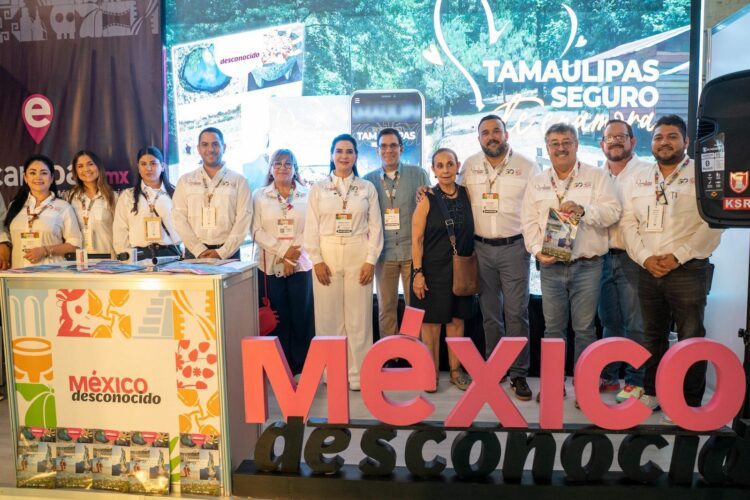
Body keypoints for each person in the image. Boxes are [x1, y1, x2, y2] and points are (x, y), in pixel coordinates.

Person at [620, 114, 723, 415]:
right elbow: (628, 223)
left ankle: (688, 402)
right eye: (658, 137)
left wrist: (678, 256)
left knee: (691, 336)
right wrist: (645, 258)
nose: (664, 142)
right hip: (648, 269)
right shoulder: (639, 176)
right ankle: (651, 391)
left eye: (672, 136)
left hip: (688, 269)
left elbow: (713, 222)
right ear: (651, 143)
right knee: (652, 335)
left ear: (686, 141)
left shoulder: (702, 175)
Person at [521, 123, 620, 404]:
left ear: (576, 145)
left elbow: (613, 212)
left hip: (588, 265)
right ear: (547, 147)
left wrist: (583, 210)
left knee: (585, 328)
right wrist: (538, 251)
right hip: (550, 266)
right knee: (553, 329)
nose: (561, 148)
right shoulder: (537, 182)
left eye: (566, 142)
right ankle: (553, 386)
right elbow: (528, 223)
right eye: (554, 143)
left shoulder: (597, 176)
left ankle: (585, 389)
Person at [458, 114, 539, 400]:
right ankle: (496, 368)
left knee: (516, 313)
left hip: (515, 247)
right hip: (480, 248)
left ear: (506, 134)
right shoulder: (469, 165)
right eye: (485, 133)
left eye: (496, 131)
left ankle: (518, 373)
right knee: (490, 314)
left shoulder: (527, 166)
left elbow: (538, 208)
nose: (491, 136)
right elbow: (453, 195)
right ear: (478, 138)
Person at [304, 134, 383, 391]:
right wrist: (316, 260)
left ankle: (359, 374)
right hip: (327, 252)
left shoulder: (366, 188)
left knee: (359, 318)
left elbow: (376, 226)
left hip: (358, 252)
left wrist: (371, 260)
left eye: (349, 151)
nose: (344, 156)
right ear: (331, 155)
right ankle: (333, 373)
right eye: (339, 151)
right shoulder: (318, 189)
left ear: (356, 156)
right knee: (328, 318)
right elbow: (311, 227)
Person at [411, 148, 475, 391]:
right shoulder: (427, 198)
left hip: (461, 270)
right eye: (440, 165)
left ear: (458, 165)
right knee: (430, 325)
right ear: (433, 170)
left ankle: (456, 372)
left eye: (450, 164)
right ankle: (431, 373)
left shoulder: (467, 194)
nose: (446, 170)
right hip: (432, 271)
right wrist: (418, 273)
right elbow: (416, 239)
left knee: (457, 321)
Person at [596, 120, 650, 402]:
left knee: (636, 323)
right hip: (600, 257)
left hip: (633, 258)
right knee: (609, 321)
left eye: (621, 136)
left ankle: (635, 382)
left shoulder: (647, 173)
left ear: (633, 141)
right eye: (610, 137)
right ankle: (609, 376)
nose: (615, 141)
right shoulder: (595, 175)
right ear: (602, 144)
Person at [363, 128, 429, 346]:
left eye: (393, 145)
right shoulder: (368, 181)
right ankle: (390, 355)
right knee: (386, 309)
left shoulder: (418, 174)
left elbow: (429, 210)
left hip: (413, 253)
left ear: (401, 148)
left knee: (414, 309)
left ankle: (413, 354)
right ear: (377, 150)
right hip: (384, 254)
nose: (388, 150)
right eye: (383, 146)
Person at [252, 149, 314, 375]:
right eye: (277, 163)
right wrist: (284, 252)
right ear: (271, 169)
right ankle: (278, 367)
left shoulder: (308, 194)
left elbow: (312, 228)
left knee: (301, 317)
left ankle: (302, 367)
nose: (282, 168)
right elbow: (256, 231)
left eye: (288, 164)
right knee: (277, 317)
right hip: (269, 266)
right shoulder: (259, 195)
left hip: (301, 264)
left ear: (295, 169)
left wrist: (292, 256)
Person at [173, 127, 252, 260]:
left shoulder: (239, 181)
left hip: (229, 254)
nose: (210, 149)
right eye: (205, 144)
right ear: (198, 149)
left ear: (224, 147)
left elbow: (243, 220)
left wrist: (223, 252)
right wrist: (198, 249)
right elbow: (178, 218)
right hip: (194, 253)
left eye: (215, 144)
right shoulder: (185, 181)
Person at [5, 155, 82, 268]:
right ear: (25, 178)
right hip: (18, 273)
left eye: (44, 173)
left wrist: (45, 250)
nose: (38, 177)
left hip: (50, 273)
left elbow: (75, 245)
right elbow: (6, 238)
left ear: (51, 178)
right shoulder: (15, 206)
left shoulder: (64, 207)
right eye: (32, 173)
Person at [113, 147, 182, 259]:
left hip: (171, 254)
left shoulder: (176, 193)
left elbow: (184, 226)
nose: (148, 168)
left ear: (162, 166)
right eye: (143, 164)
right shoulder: (127, 196)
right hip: (139, 256)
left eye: (153, 163)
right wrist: (126, 257)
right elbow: (120, 230)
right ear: (138, 168)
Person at [65, 150, 118, 258]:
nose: (86, 169)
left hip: (107, 259)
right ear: (75, 171)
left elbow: (120, 231)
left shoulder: (112, 197)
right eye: (80, 166)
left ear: (98, 167)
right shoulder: (69, 197)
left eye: (90, 164)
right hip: (78, 260)